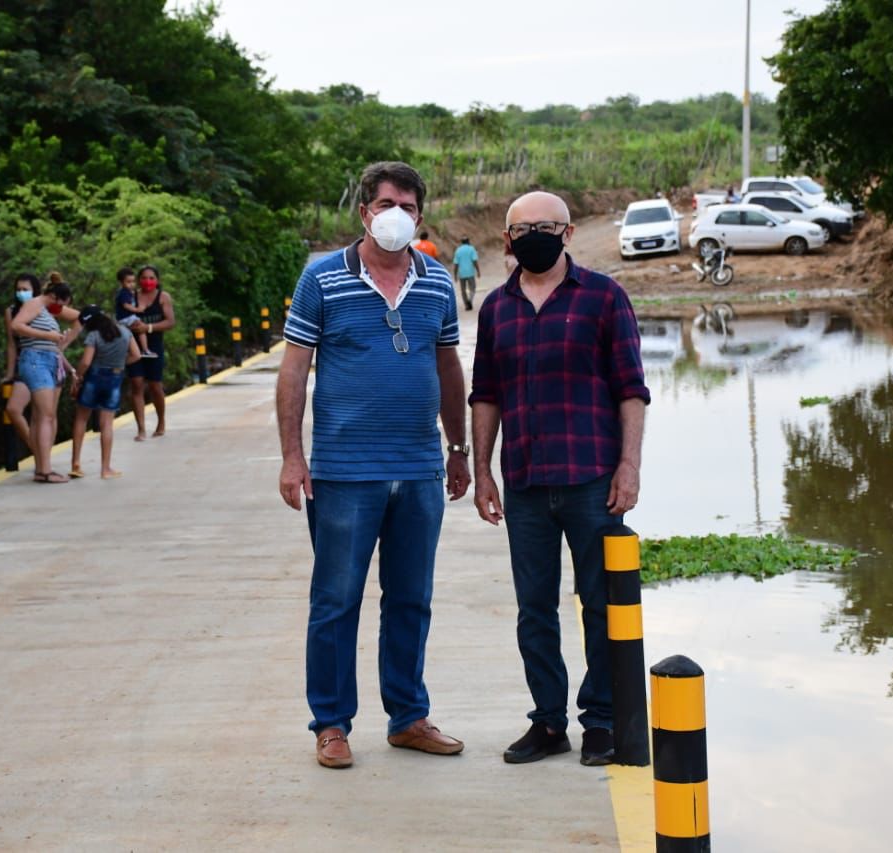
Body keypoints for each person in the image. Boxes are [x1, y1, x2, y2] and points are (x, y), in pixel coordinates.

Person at [277, 160, 471, 770]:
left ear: (421, 216)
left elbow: (447, 370)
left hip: (418, 470)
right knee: (336, 599)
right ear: (365, 211)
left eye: (410, 207)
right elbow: (294, 371)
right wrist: (291, 456)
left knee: (411, 597)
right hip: (343, 473)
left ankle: (408, 716)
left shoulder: (437, 281)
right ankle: (331, 725)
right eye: (388, 204)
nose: (398, 215)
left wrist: (458, 447)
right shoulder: (322, 279)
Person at [468, 191, 650, 767]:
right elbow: (486, 395)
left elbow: (631, 390)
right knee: (534, 610)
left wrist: (629, 466)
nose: (533, 237)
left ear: (568, 233)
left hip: (592, 480)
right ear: (507, 240)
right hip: (523, 482)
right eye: (521, 229)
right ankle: (548, 722)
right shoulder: (496, 308)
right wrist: (482, 471)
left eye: (545, 226)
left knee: (599, 605)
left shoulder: (603, 298)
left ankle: (600, 723)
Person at [10, 275, 78, 483]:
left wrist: (61, 342)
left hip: (49, 360)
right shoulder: (34, 304)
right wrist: (47, 336)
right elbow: (17, 325)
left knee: (41, 417)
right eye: (61, 305)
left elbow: (79, 319)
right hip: (35, 360)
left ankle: (42, 467)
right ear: (54, 297)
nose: (60, 310)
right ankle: (46, 471)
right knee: (46, 415)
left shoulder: (46, 311)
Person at [69, 305, 141, 479]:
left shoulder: (93, 335)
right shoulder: (125, 332)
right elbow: (137, 355)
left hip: (94, 377)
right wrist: (120, 365)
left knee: (81, 419)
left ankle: (76, 463)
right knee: (106, 424)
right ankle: (105, 468)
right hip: (115, 379)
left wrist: (77, 377)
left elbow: (86, 362)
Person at [125, 264, 175, 440]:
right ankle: (141, 428)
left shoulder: (163, 297)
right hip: (133, 346)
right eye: (144, 278)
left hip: (155, 346)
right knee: (136, 384)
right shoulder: (130, 297)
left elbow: (170, 322)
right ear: (139, 280)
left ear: (158, 280)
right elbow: (120, 316)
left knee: (155, 385)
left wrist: (149, 327)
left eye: (152, 278)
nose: (148, 281)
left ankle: (161, 421)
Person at [2, 273, 40, 453]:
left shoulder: (41, 308)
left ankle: (42, 457)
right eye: (18, 289)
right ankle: (36, 450)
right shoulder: (11, 311)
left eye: (25, 290)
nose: (21, 293)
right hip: (22, 365)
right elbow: (11, 344)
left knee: (41, 415)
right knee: (13, 409)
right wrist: (10, 373)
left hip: (42, 363)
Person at [113, 267, 155, 357]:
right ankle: (145, 350)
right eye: (128, 282)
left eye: (133, 281)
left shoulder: (128, 292)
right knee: (141, 327)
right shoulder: (123, 292)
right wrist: (138, 310)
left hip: (126, 318)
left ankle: (133, 350)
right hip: (125, 318)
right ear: (121, 282)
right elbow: (126, 305)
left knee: (132, 333)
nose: (132, 284)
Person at [452, 236, 481, 311]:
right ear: (468, 241)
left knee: (463, 290)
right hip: (470, 272)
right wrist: (478, 271)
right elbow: (475, 261)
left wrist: (455, 275)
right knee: (473, 288)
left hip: (461, 273)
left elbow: (456, 264)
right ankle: (470, 300)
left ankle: (466, 304)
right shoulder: (471, 249)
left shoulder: (458, 250)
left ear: (461, 242)